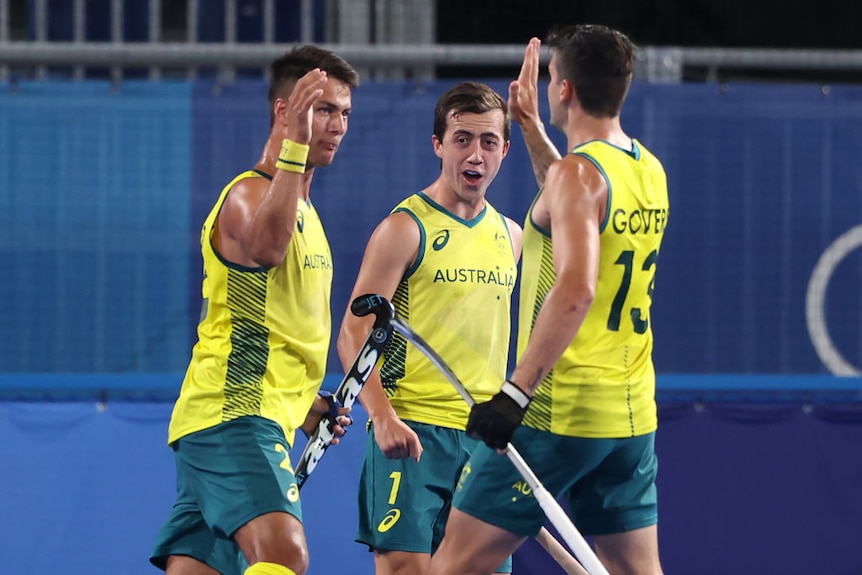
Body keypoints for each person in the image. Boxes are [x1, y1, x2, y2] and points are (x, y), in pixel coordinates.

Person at [428, 25, 669, 575]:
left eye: (554, 73)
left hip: (562, 413)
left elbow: (578, 287)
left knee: (451, 566)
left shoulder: (577, 177)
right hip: (630, 418)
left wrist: (515, 394)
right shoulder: (646, 170)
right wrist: (531, 127)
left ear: (564, 89)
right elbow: (567, 195)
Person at [149, 45, 360, 575]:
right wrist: (295, 146)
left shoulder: (306, 213)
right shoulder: (247, 195)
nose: (335, 125)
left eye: (344, 113)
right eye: (323, 109)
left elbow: (273, 331)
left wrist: (306, 403)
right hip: (234, 417)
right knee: (285, 556)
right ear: (283, 111)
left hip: (243, 417)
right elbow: (267, 248)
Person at [336, 81, 522, 575]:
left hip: (484, 445)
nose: (475, 154)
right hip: (413, 434)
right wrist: (381, 416)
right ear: (438, 144)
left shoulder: (512, 237)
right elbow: (353, 332)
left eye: (488, 141)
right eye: (462, 139)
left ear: (505, 149)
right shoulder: (405, 228)